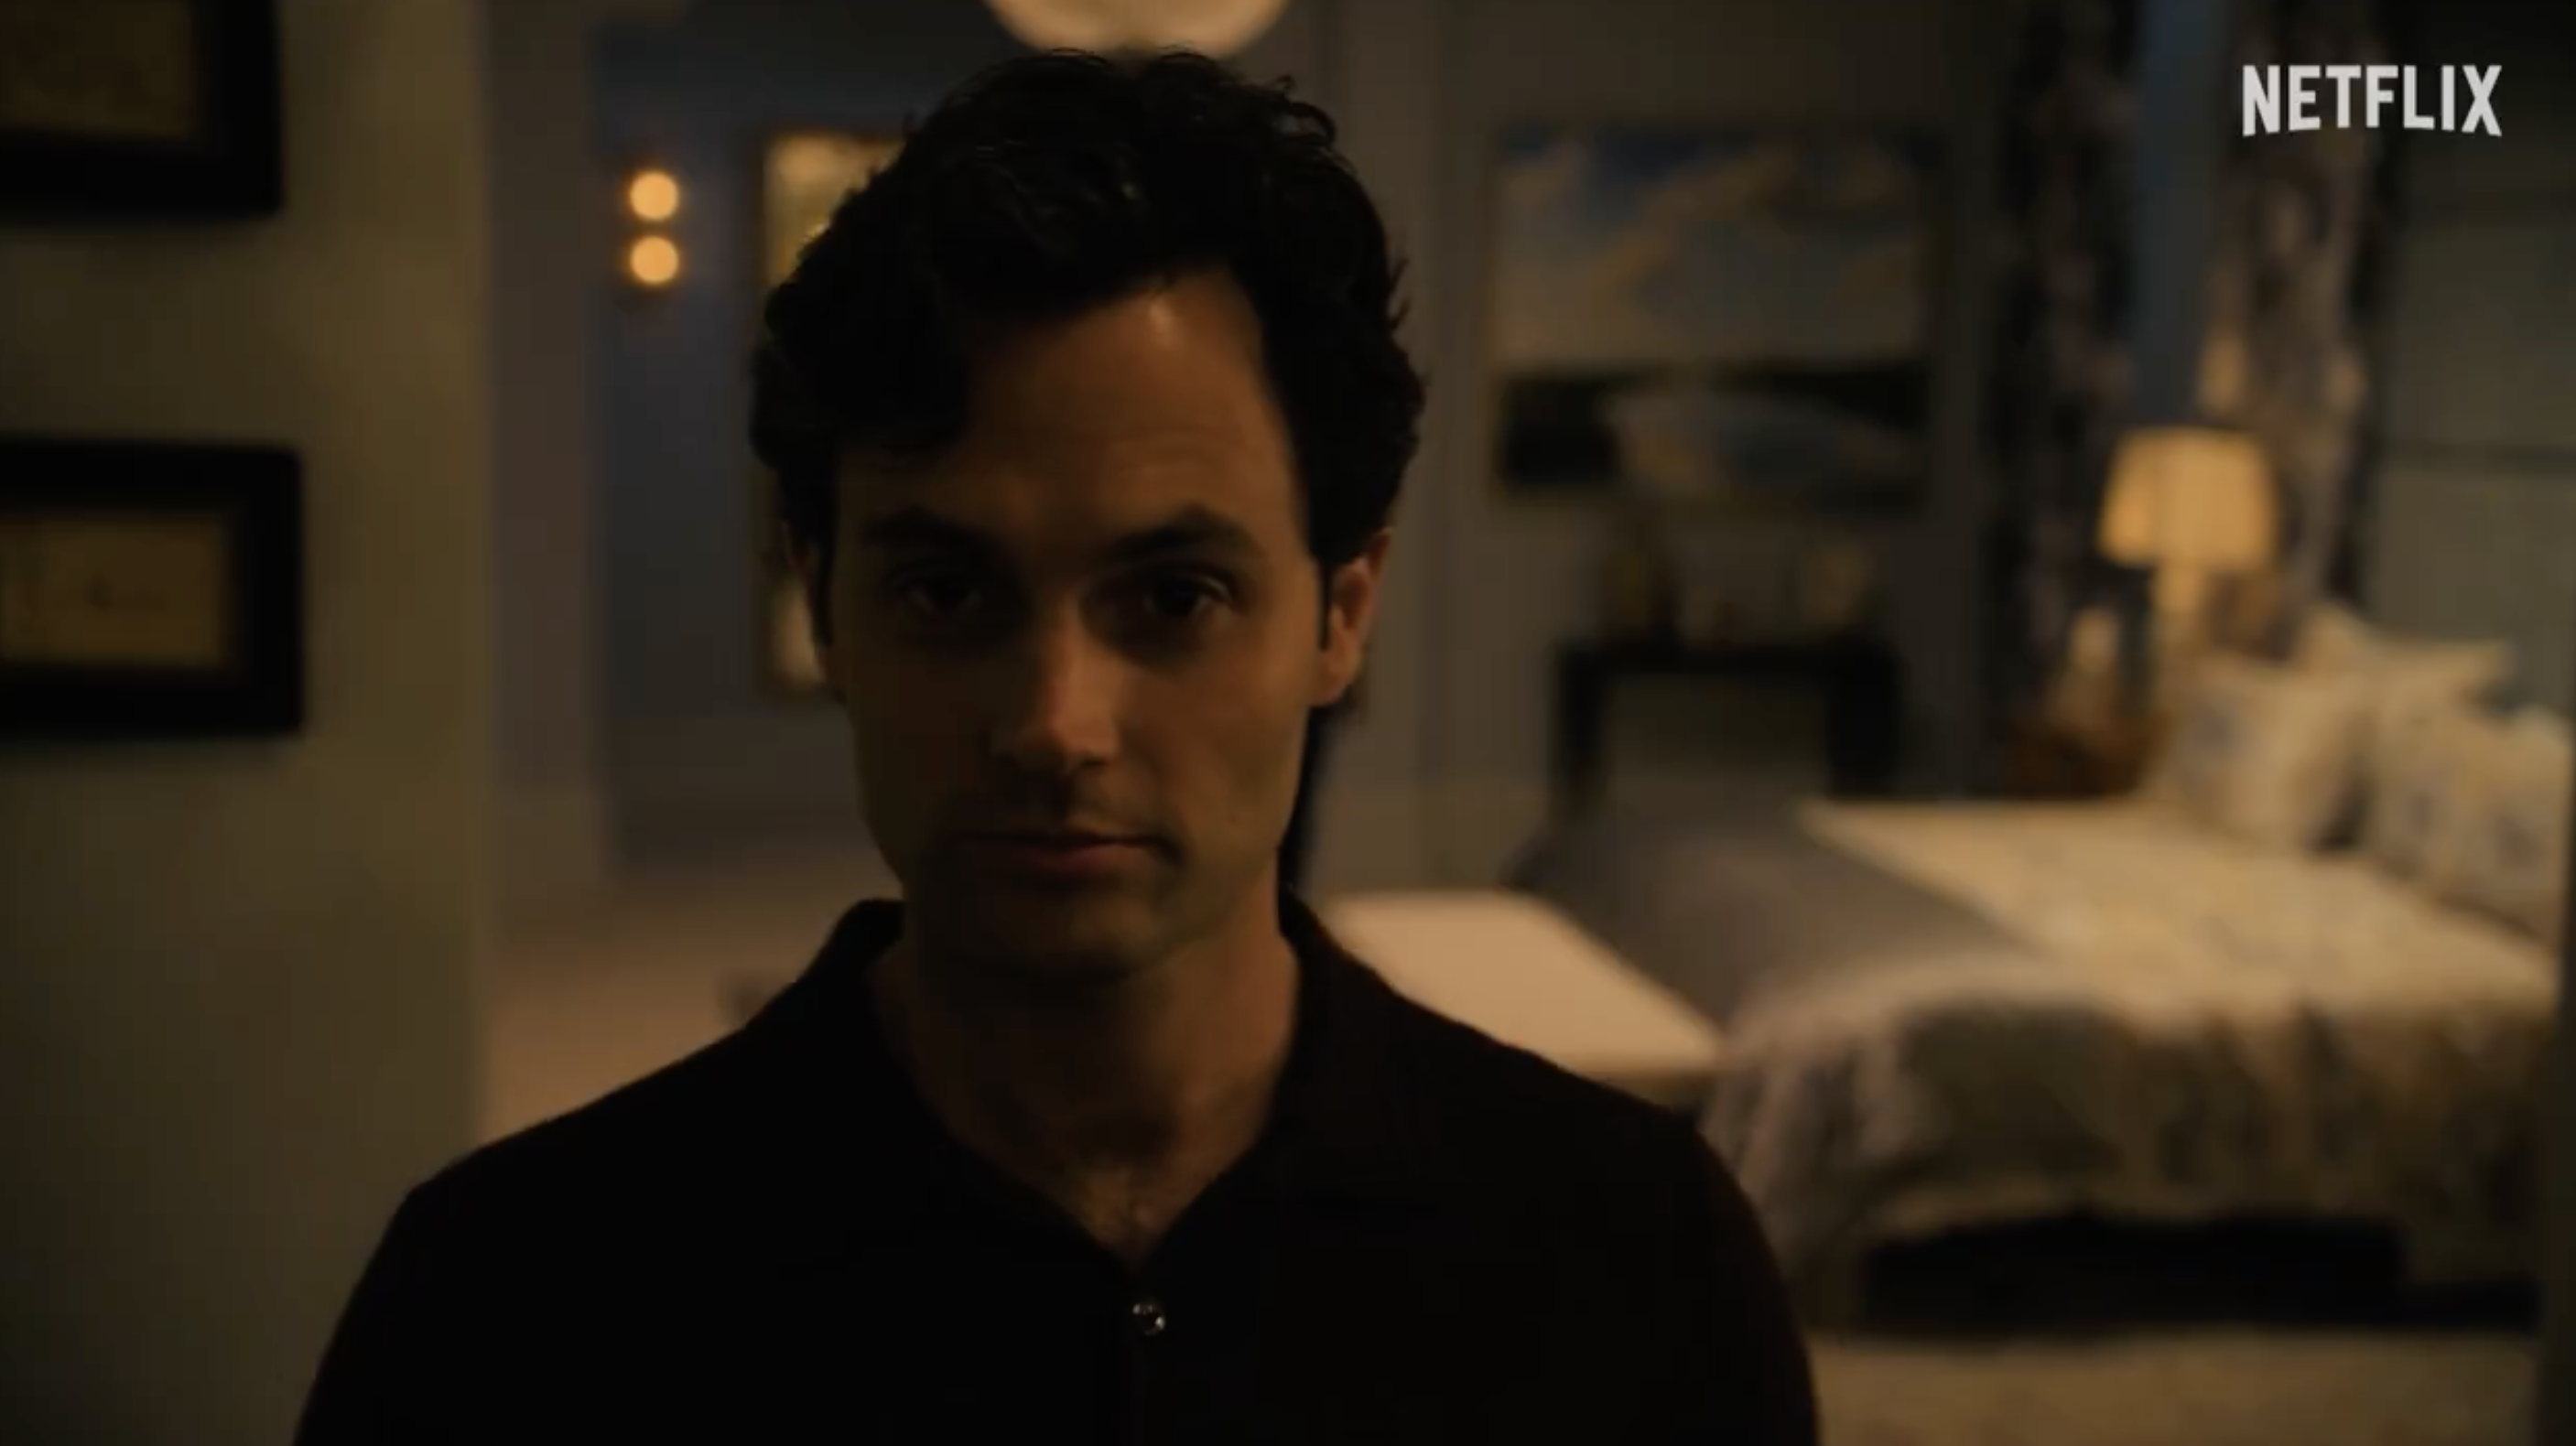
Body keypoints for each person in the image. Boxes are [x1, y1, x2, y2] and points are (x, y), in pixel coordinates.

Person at [295, 49, 1815, 1443]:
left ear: (1339, 616)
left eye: (1173, 597)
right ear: (823, 604)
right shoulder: (507, 1301)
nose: (1052, 725)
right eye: (948, 593)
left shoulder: (1640, 1258)